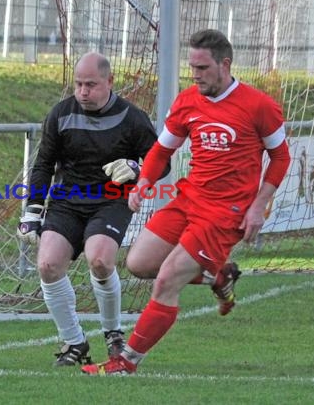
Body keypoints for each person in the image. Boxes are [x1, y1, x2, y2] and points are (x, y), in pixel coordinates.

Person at [82, 29, 291, 375]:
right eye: (191, 67)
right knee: (139, 263)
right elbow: (162, 149)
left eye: (202, 67)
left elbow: (281, 158)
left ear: (225, 65)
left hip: (226, 213)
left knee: (165, 280)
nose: (195, 74)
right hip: (189, 199)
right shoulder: (188, 101)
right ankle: (218, 275)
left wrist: (259, 205)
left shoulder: (259, 106)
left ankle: (126, 361)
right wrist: (144, 181)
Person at [16, 51, 168, 366]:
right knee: (47, 265)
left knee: (99, 259)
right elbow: (44, 164)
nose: (83, 92)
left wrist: (137, 169)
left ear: (110, 82)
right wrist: (32, 211)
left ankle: (112, 332)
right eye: (79, 84)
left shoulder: (132, 118)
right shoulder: (61, 114)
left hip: (112, 200)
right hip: (67, 201)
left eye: (91, 85)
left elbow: (161, 163)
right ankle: (74, 343)